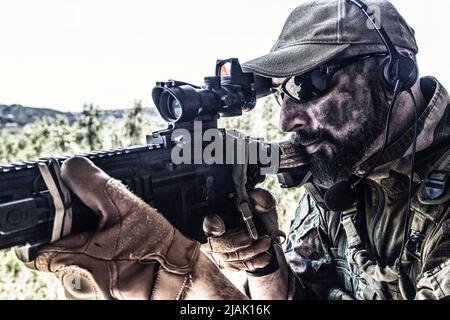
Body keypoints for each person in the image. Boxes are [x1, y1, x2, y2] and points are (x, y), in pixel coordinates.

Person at [18, 0, 449, 300]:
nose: (287, 119)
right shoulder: (342, 175)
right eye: (282, 94)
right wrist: (265, 269)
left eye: (307, 84)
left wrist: (196, 286)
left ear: (395, 73)